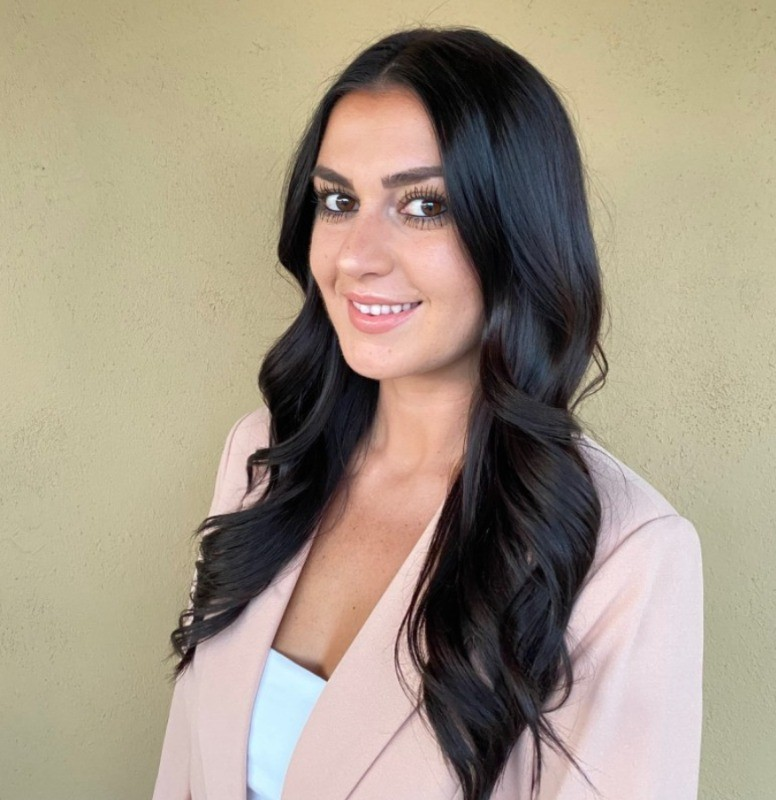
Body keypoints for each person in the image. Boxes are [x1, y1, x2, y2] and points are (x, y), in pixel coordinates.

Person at [152, 26, 703, 800]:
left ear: (517, 234)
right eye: (338, 200)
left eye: (424, 206)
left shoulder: (627, 556)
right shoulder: (264, 456)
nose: (355, 254)